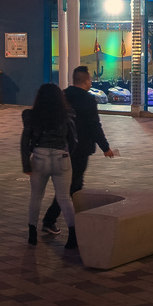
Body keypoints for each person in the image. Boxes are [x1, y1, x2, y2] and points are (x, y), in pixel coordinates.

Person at [43, 67, 118, 230]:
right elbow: (94, 126)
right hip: (81, 148)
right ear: (86, 80)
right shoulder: (88, 100)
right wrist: (105, 147)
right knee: (73, 184)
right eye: (90, 79)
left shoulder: (62, 96)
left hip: (61, 147)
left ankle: (70, 217)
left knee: (72, 184)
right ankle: (55, 219)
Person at [20, 82, 80, 249]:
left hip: (39, 157)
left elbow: (25, 141)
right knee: (64, 198)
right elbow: (73, 140)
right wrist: (68, 155)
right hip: (61, 157)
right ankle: (73, 235)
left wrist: (26, 164)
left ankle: (32, 233)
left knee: (36, 196)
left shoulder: (31, 116)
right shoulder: (67, 115)